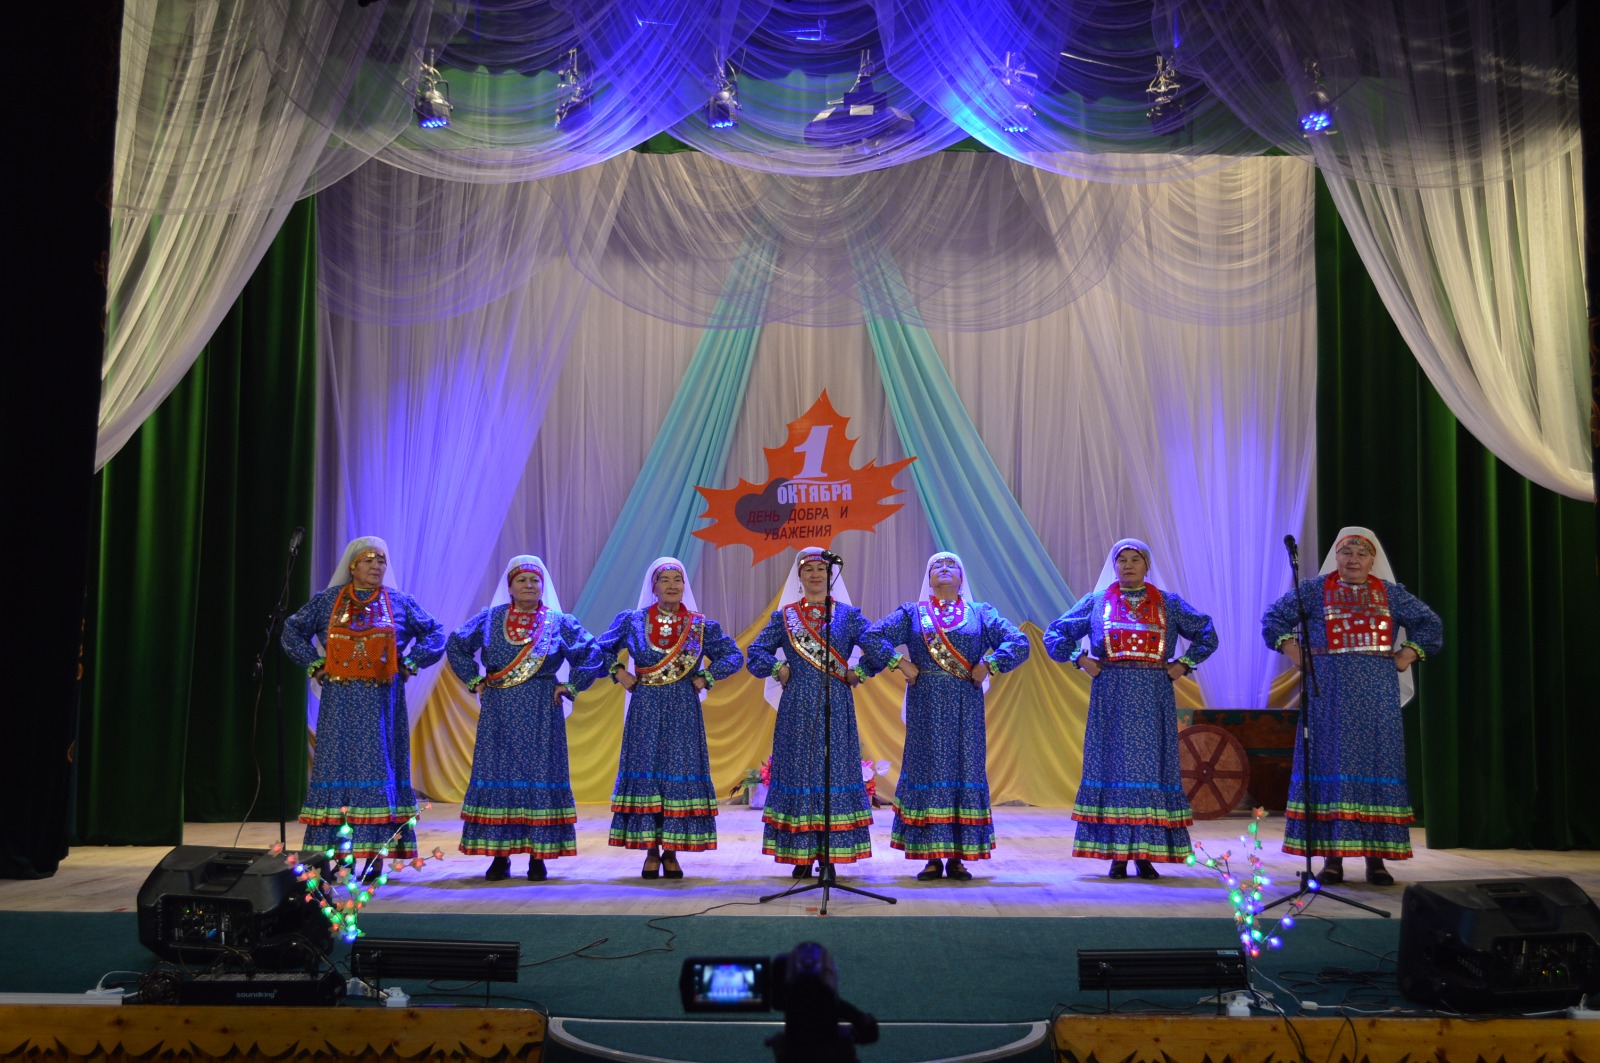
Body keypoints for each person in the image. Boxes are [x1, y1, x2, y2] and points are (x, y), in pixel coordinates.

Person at [1261, 526, 1442, 886]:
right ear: (1337, 557)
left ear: (1373, 560)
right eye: (1347, 552)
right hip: (1329, 693)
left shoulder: (1390, 594)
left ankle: (1377, 861)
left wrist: (1408, 653)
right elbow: (1273, 618)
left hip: (1377, 696)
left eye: (1361, 554)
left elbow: (1430, 624)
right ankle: (1333, 859)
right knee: (1332, 765)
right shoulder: (1313, 590)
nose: (1354, 559)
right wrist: (1293, 650)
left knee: (1377, 764)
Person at [1045, 538, 1218, 879]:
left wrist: (1183, 664)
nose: (1127, 565)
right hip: (1112, 691)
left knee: (1150, 770)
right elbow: (1055, 634)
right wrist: (1081, 659)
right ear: (1114, 566)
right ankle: (1118, 854)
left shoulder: (1168, 604)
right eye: (1121, 559)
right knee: (1114, 767)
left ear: (1147, 565)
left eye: (1135, 559)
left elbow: (1207, 634)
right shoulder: (1096, 602)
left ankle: (1145, 853)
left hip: (1154, 692)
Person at [281, 536, 445, 874]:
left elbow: (436, 633)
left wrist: (411, 662)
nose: (377, 566)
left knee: (377, 770)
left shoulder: (399, 602)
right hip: (339, 703)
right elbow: (291, 631)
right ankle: (333, 856)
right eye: (369, 560)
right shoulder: (327, 601)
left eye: (381, 561)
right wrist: (314, 663)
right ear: (352, 566)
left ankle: (374, 855)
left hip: (381, 704)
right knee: (336, 769)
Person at [869, 551, 1030, 881]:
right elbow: (871, 637)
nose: (943, 569)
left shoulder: (980, 614)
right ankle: (930, 856)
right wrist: (899, 663)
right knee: (927, 769)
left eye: (950, 565)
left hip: (964, 705)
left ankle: (958, 856)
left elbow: (1019, 642)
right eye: (936, 566)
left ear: (961, 577)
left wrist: (990, 664)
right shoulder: (912, 614)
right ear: (928, 579)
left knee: (963, 767)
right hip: (926, 704)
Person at [446, 555, 602, 881]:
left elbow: (591, 653)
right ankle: (499, 856)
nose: (529, 585)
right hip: (499, 710)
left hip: (542, 709)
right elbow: (457, 644)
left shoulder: (559, 623)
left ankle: (537, 856)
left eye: (535, 580)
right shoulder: (490, 619)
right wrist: (474, 680)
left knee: (539, 775)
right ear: (510, 586)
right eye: (522, 580)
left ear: (543, 586)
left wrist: (572, 685)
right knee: (499, 774)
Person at [591, 557, 744, 879]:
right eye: (665, 580)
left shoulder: (700, 625)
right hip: (645, 705)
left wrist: (707, 676)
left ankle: (672, 852)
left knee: (678, 771)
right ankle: (651, 850)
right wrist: (619, 672)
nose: (672, 585)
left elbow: (733, 655)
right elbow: (597, 651)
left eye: (678, 579)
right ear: (654, 586)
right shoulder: (632, 621)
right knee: (648, 770)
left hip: (683, 707)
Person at [746, 546, 892, 877]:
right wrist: (777, 667)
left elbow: (878, 646)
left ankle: (829, 854)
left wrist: (860, 671)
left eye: (821, 569)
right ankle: (800, 854)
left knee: (833, 771)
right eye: (808, 569)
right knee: (798, 771)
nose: (815, 574)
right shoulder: (784, 618)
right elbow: (755, 652)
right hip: (796, 706)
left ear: (831, 575)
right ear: (799, 576)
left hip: (836, 705)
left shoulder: (848, 616)